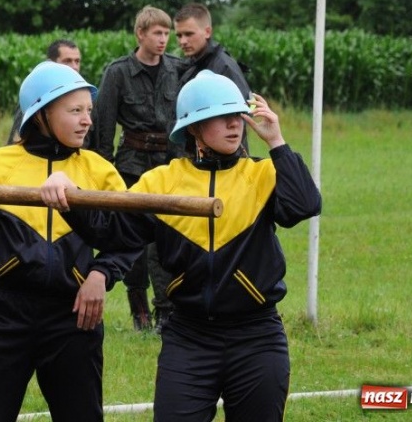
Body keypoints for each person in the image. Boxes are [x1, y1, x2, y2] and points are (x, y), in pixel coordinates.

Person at [42, 71, 322, 422]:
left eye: (238, 115)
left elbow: (305, 205)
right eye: (221, 117)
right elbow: (110, 233)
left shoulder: (262, 174)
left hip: (257, 337)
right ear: (194, 127)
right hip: (189, 337)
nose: (235, 125)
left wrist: (277, 143)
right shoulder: (161, 182)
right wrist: (70, 195)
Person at [0, 61, 139, 422]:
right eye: (75, 110)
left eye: (89, 111)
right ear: (41, 114)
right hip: (4, 314)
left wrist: (100, 275)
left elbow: (127, 239)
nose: (87, 121)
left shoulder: (99, 170)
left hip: (74, 318)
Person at [89, 5, 179, 332]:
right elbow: (103, 126)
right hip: (130, 164)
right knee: (132, 242)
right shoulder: (118, 72)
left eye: (167, 33)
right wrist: (102, 172)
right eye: (157, 33)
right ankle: (139, 309)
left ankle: (167, 311)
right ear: (140, 34)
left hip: (168, 164)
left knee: (165, 238)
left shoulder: (177, 70)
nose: (163, 39)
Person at [5, 38, 82, 144]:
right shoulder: (35, 98)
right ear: (51, 63)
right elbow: (17, 141)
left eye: (77, 61)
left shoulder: (86, 97)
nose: (74, 67)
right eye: (67, 61)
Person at [173, 2, 250, 98]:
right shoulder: (188, 63)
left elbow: (247, 107)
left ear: (207, 32)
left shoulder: (225, 67)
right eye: (179, 35)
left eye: (189, 34)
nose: (183, 41)